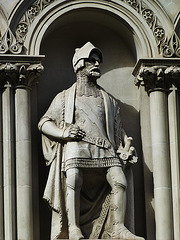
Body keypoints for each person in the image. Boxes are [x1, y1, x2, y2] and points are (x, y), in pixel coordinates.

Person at [38, 42, 145, 240]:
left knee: (120, 181)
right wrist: (64, 133)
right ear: (79, 64)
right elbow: (44, 123)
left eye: (98, 61)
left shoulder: (108, 99)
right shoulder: (64, 98)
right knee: (73, 179)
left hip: (104, 149)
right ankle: (73, 228)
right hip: (76, 148)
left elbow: (117, 128)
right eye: (92, 61)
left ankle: (119, 228)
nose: (97, 64)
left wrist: (125, 145)